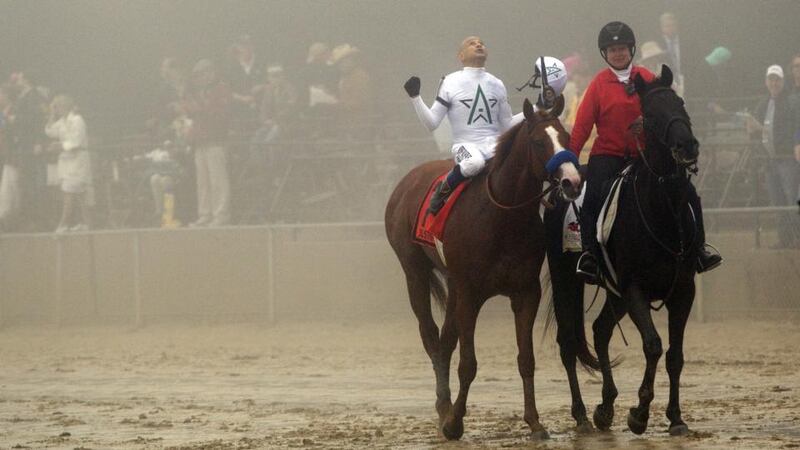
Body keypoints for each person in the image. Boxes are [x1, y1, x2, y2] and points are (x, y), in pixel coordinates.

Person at [570, 21, 721, 284]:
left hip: (645, 157)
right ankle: (590, 256)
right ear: (605, 53)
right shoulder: (598, 84)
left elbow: (670, 110)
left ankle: (699, 250)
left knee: (688, 193)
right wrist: (570, 159)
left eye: (622, 48)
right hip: (608, 155)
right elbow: (582, 126)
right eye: (612, 49)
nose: (618, 53)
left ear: (631, 50)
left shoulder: (649, 78)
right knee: (592, 198)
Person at [403, 36, 568, 214]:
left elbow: (507, 125)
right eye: (472, 43)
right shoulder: (450, 82)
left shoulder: (497, 84)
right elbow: (431, 123)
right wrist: (415, 97)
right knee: (474, 163)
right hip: (465, 146)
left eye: (481, 42)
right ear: (461, 56)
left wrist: (538, 107)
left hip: (494, 145)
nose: (478, 44)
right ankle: (441, 193)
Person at [747, 65, 799, 247]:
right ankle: (785, 239)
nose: (774, 83)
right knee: (778, 201)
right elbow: (756, 128)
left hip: (786, 158)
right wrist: (751, 128)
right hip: (770, 160)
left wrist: (761, 129)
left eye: (777, 79)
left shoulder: (790, 102)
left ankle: (796, 239)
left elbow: (788, 129)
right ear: (766, 81)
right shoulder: (763, 103)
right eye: (771, 79)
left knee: (791, 199)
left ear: (783, 82)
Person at [183, 59, 232, 227]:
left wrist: (196, 107)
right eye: (196, 75)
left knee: (218, 180)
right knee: (203, 181)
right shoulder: (198, 92)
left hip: (216, 139)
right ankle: (205, 214)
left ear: (211, 72)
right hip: (200, 140)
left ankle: (221, 214)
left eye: (201, 74)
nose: (197, 78)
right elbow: (190, 111)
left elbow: (215, 112)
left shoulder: (221, 88)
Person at [45, 95, 91, 232]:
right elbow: (49, 132)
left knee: (69, 193)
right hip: (66, 164)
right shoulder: (61, 121)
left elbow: (76, 142)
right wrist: (51, 115)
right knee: (80, 196)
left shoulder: (77, 120)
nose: (55, 109)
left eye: (56, 106)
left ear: (63, 106)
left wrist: (59, 146)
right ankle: (88, 224)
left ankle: (63, 224)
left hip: (78, 162)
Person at [659, 12, 684, 96]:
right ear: (662, 28)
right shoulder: (658, 45)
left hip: (686, 83)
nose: (670, 28)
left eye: (672, 25)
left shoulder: (688, 43)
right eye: (667, 26)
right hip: (666, 86)